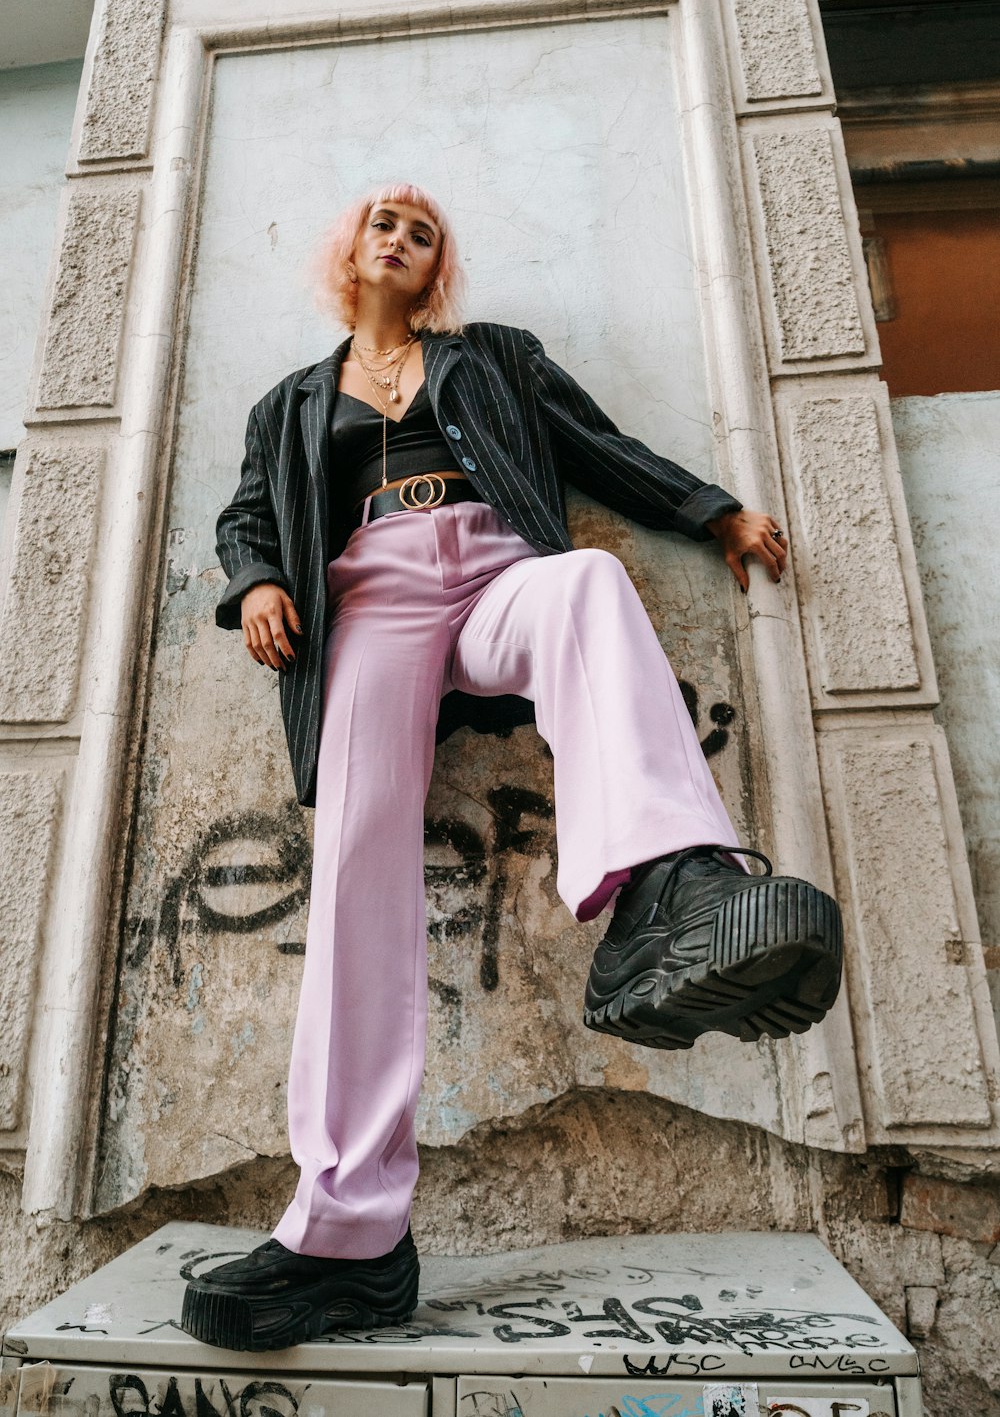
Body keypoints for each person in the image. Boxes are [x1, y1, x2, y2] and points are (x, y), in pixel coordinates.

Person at [181, 183, 842, 1354]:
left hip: (492, 566)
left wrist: (713, 511)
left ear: (440, 268)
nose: (401, 234)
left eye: (424, 229)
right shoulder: (289, 402)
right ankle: (347, 1228)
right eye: (383, 220)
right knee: (351, 880)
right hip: (368, 599)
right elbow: (246, 517)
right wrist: (258, 584)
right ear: (350, 251)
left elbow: (594, 445)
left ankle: (671, 889)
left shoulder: (490, 357)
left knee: (584, 582)